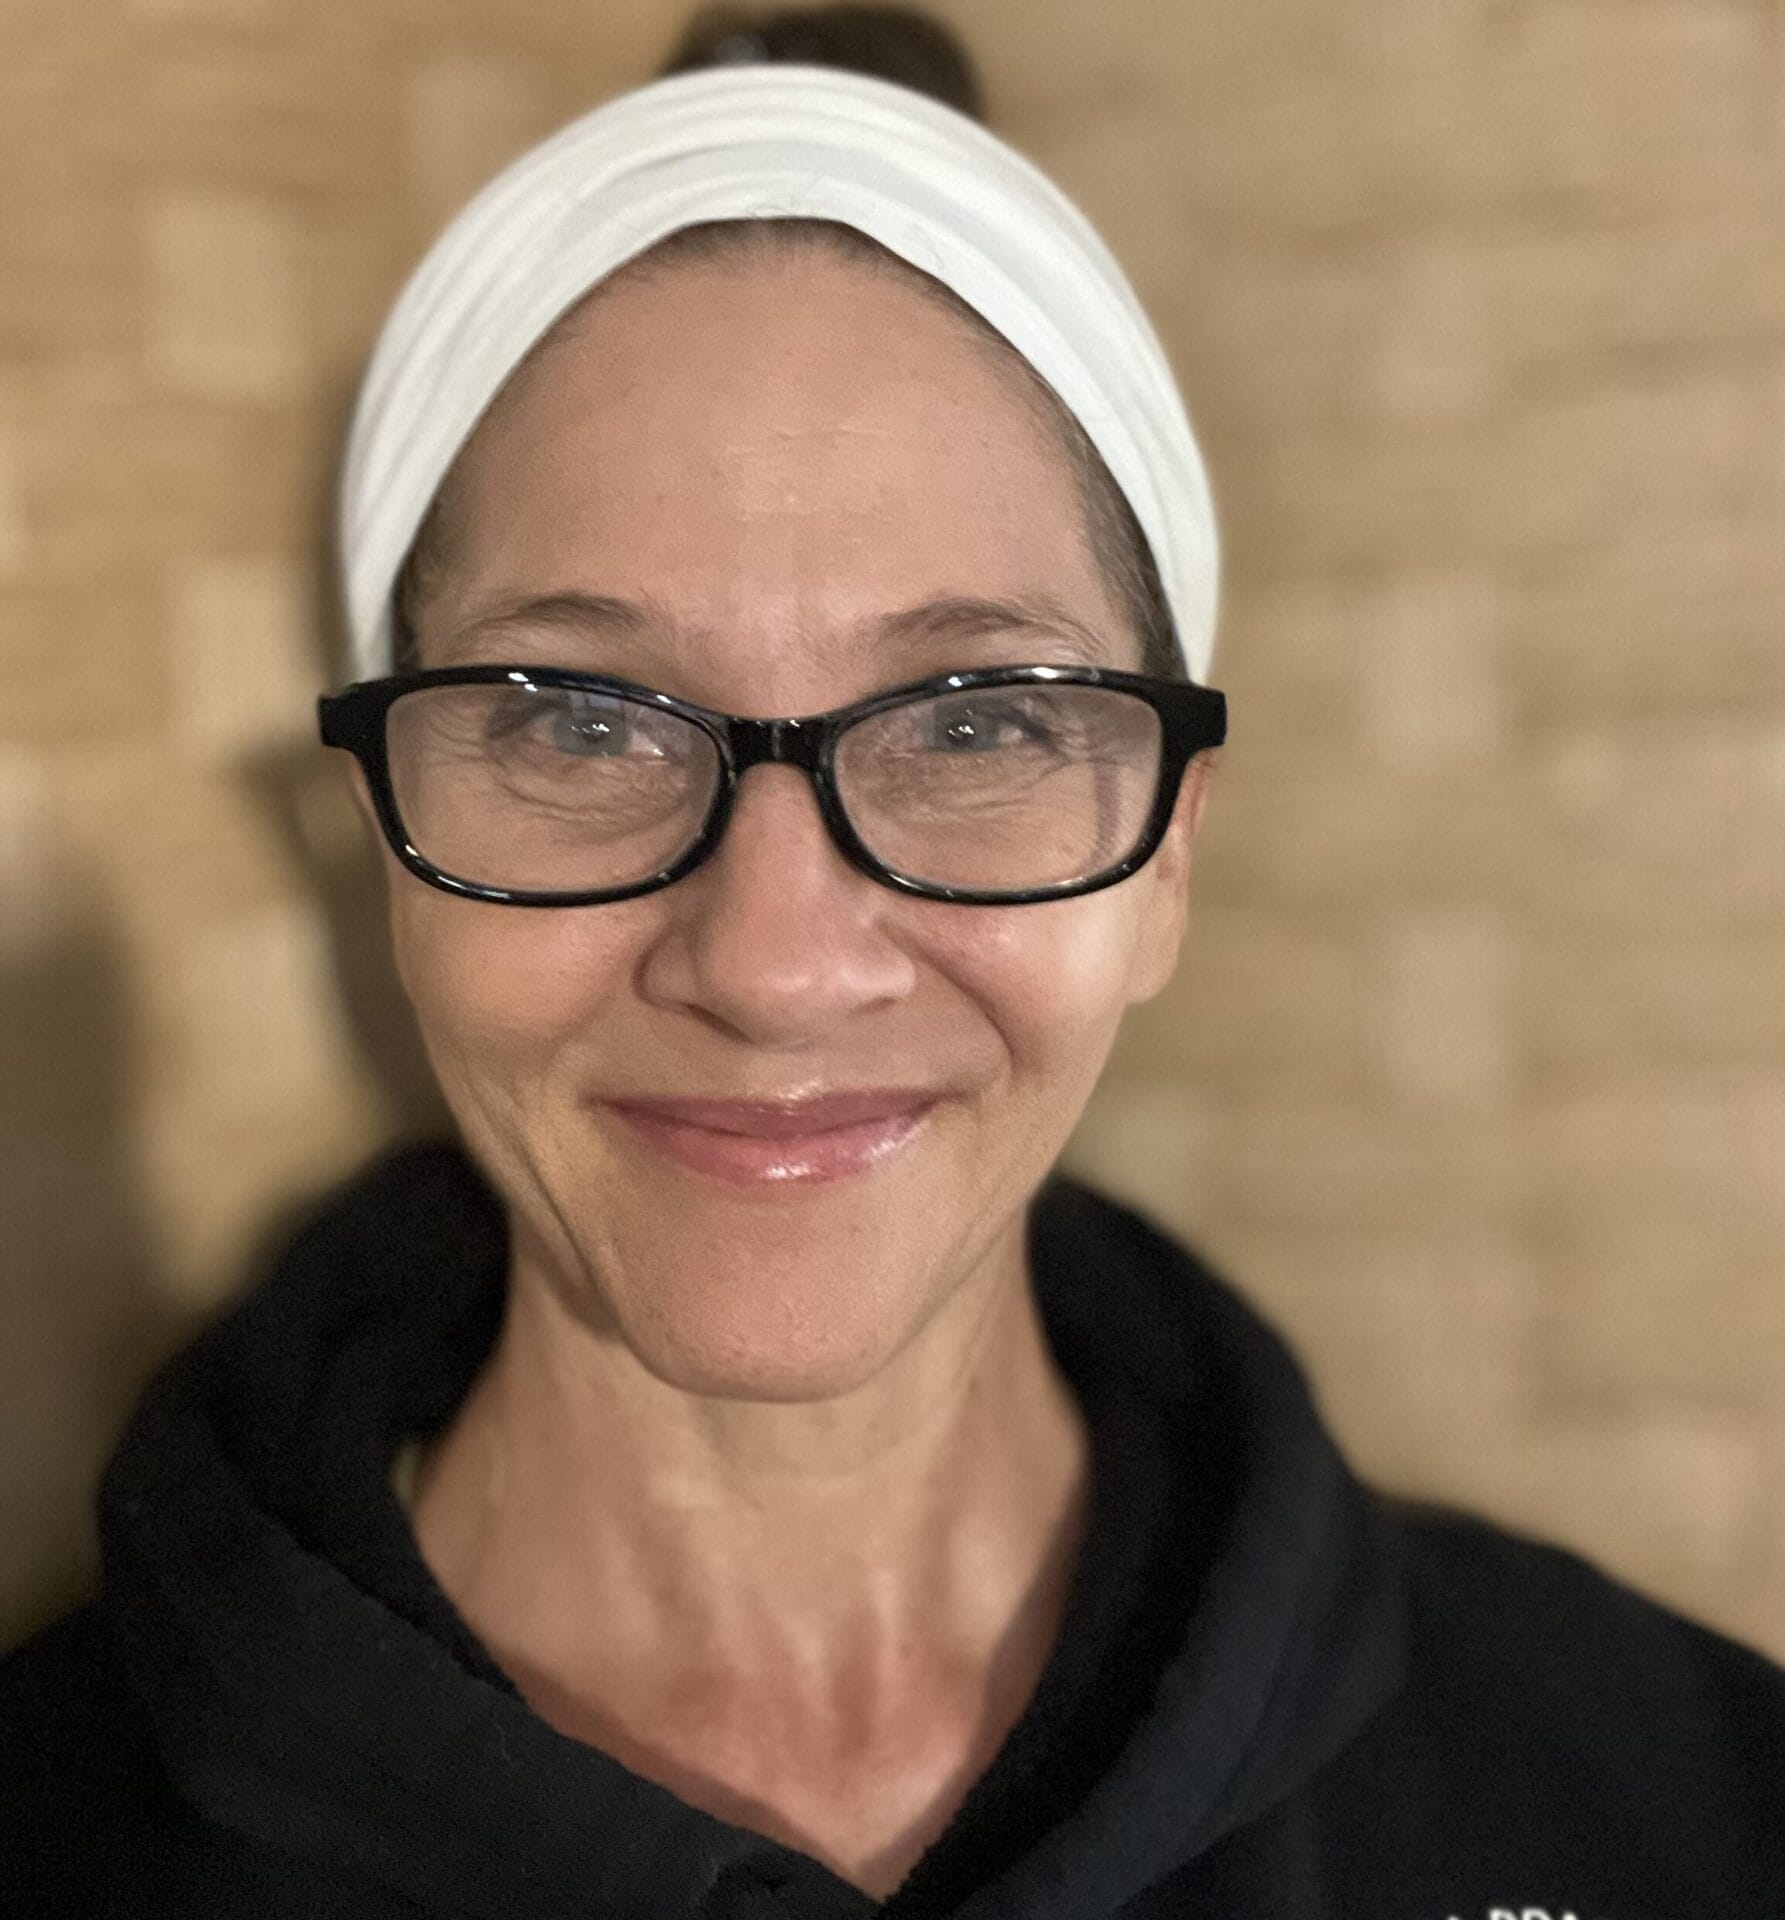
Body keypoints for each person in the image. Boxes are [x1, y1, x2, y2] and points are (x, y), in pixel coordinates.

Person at [3, 10, 1781, 1918]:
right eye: (581, 722)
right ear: (384, 837)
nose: (773, 965)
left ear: (1168, 852)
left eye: (974, 722)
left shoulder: (1674, 1802)